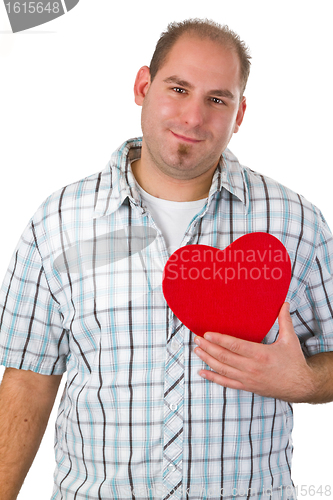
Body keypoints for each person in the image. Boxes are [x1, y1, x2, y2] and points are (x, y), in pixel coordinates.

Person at [0, 18, 333, 500]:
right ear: (143, 86)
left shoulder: (295, 223)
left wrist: (304, 381)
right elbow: (28, 379)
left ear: (239, 114)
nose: (194, 117)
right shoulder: (58, 222)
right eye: (179, 88)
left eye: (217, 99)